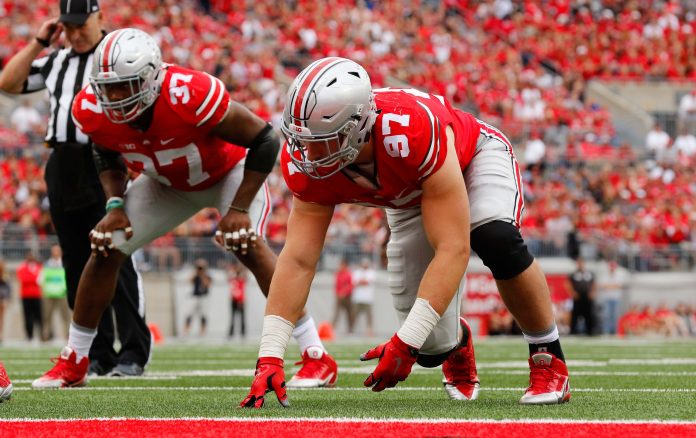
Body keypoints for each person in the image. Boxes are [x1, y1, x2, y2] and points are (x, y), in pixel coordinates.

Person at [241, 57, 570, 409]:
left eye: (322, 140)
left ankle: (547, 357)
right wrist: (270, 355)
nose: (307, 152)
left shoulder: (409, 130)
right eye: (302, 138)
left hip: (469, 159)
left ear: (357, 128)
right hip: (410, 196)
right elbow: (298, 259)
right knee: (431, 348)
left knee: (494, 237)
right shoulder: (310, 160)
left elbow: (454, 248)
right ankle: (455, 343)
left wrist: (404, 342)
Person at [32, 28, 336, 389]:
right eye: (108, 87)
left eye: (125, 86)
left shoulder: (188, 93)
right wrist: (114, 203)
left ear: (151, 78)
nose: (114, 97)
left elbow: (265, 139)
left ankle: (317, 356)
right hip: (167, 183)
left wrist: (238, 208)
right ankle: (76, 358)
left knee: (247, 243)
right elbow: (105, 150)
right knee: (106, 246)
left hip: (228, 174)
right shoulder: (91, 108)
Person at [0, 0, 152, 377]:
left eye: (81, 24)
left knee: (116, 254)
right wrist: (39, 41)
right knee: (73, 259)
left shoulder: (117, 56)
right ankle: (96, 352)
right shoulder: (57, 60)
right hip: (62, 164)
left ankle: (133, 351)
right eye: (68, 25)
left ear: (99, 17)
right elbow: (7, 82)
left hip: (105, 163)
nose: (74, 32)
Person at [40, 245, 71, 341]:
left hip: (62, 293)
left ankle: (68, 335)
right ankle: (46, 335)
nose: (56, 253)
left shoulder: (65, 264)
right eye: (54, 251)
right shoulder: (47, 264)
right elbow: (41, 279)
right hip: (49, 294)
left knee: (66, 316)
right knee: (47, 316)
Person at [16, 252, 43, 343]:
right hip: (25, 295)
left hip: (37, 295)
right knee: (27, 316)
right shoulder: (22, 267)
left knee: (39, 316)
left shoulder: (39, 267)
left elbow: (41, 279)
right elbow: (23, 279)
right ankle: (29, 336)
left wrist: (32, 278)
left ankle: (41, 335)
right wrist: (34, 278)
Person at [596, 259, 627, 335]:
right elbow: (601, 285)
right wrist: (612, 286)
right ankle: (606, 331)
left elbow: (619, 285)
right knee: (606, 315)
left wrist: (609, 286)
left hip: (616, 298)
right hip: (607, 298)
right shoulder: (604, 275)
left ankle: (614, 331)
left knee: (615, 315)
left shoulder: (619, 275)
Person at [568, 257, 596, 336]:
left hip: (587, 296)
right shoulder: (573, 274)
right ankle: (573, 331)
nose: (580, 265)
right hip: (578, 296)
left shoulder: (589, 274)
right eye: (579, 263)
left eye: (581, 263)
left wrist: (593, 292)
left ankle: (590, 331)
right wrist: (573, 292)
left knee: (589, 314)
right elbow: (568, 284)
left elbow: (593, 283)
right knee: (575, 314)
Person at [183, 259, 212, 337]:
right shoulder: (195, 275)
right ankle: (186, 331)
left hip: (204, 297)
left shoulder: (207, 276)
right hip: (195, 297)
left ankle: (202, 332)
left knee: (203, 315)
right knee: (189, 314)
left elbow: (207, 285)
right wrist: (196, 272)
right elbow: (189, 280)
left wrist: (202, 275)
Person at [351, 257, 376, 337]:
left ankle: (369, 330)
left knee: (368, 316)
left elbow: (366, 282)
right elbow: (355, 282)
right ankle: (352, 330)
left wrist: (361, 281)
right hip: (358, 297)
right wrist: (362, 281)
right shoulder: (357, 272)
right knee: (354, 314)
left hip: (368, 298)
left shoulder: (371, 272)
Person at [332, 258, 354, 334]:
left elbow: (350, 285)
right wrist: (338, 293)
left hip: (347, 297)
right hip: (339, 296)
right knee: (337, 313)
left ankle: (350, 329)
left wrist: (344, 292)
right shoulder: (338, 274)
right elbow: (336, 285)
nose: (340, 267)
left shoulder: (348, 274)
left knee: (349, 313)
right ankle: (332, 328)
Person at [228, 263, 247, 339]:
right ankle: (231, 332)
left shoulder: (241, 279)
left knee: (242, 317)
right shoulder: (233, 278)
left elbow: (245, 276)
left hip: (241, 300)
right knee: (233, 317)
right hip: (234, 299)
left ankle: (243, 332)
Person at [0, 260, 11, 344]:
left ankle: (1, 335)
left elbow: (8, 288)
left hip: (2, 298)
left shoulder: (5, 276)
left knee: (1, 318)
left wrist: (7, 298)